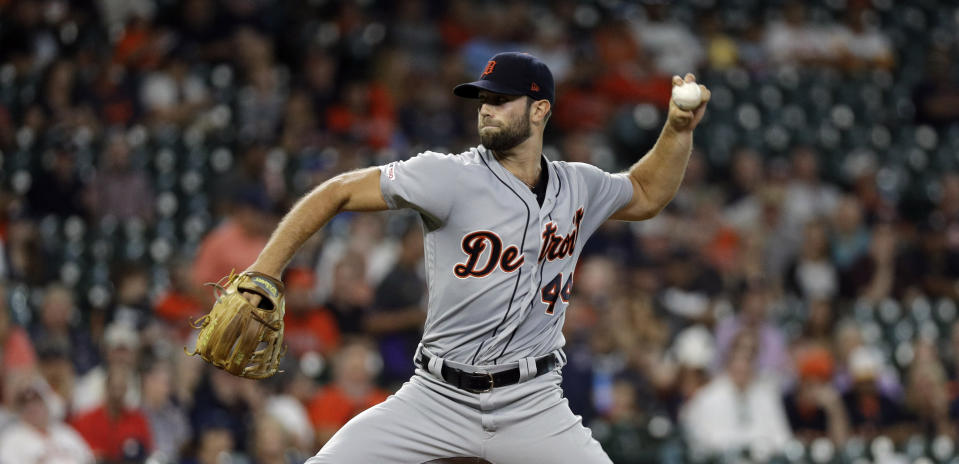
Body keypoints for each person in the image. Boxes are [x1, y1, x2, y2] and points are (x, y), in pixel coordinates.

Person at [240, 52, 709, 462]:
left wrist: (677, 128)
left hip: (533, 403)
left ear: (540, 109)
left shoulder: (578, 185)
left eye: (501, 100)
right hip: (436, 397)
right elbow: (339, 192)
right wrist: (264, 270)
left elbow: (646, 192)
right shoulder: (446, 176)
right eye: (483, 100)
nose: (486, 109)